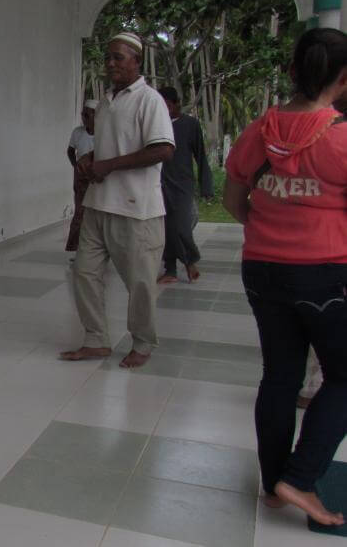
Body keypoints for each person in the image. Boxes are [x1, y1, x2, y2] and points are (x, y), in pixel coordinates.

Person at [223, 27, 347, 527]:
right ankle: (298, 477)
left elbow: (235, 200)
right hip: (325, 276)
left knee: (279, 375)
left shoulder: (260, 130)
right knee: (343, 376)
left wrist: (274, 233)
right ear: (342, 79)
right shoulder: (340, 137)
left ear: (293, 71)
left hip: (262, 270)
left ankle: (274, 481)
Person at [60, 32, 174, 369]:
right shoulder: (107, 101)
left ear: (137, 62)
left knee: (139, 283)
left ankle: (142, 343)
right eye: (107, 57)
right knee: (84, 272)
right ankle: (96, 340)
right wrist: (92, 157)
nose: (110, 63)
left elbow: (163, 149)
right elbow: (115, 145)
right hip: (98, 204)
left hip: (137, 209)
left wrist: (107, 164)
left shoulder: (149, 100)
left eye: (118, 58)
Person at [156, 87, 213, 283]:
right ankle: (170, 268)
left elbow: (201, 157)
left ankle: (190, 261)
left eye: (167, 105)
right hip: (159, 183)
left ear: (176, 104)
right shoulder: (155, 124)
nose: (163, 109)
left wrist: (206, 186)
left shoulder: (190, 124)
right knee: (166, 227)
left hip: (182, 184)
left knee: (181, 226)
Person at [65, 99, 98, 253]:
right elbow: (70, 151)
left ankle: (98, 250)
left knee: (97, 214)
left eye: (87, 115)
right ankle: (76, 249)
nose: (84, 118)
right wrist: (76, 167)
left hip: (98, 178)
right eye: (82, 115)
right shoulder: (77, 132)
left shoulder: (103, 134)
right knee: (80, 212)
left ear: (95, 116)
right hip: (81, 178)